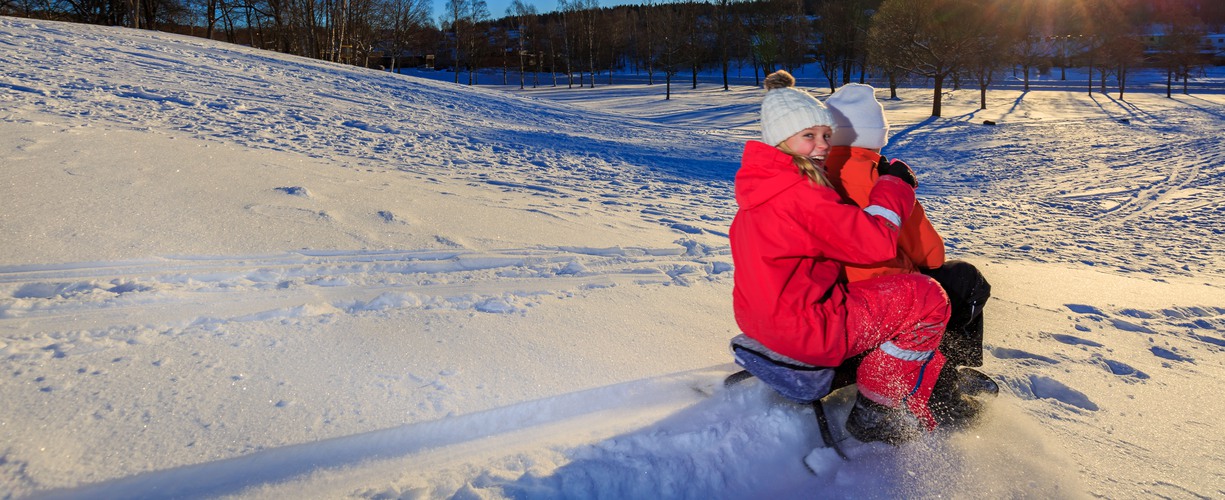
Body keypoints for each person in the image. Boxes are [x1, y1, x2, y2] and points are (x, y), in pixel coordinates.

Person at [730, 70, 970, 444]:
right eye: (808, 136)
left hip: (761, 321)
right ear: (780, 140)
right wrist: (895, 186)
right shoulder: (801, 194)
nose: (822, 144)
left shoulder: (759, 189)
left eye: (826, 134)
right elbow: (874, 243)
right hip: (808, 331)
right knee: (928, 297)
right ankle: (876, 407)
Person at [823, 84, 996, 417]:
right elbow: (931, 255)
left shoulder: (812, 176)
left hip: (828, 296)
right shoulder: (884, 180)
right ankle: (945, 375)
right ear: (877, 136)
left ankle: (942, 368)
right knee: (963, 279)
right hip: (882, 304)